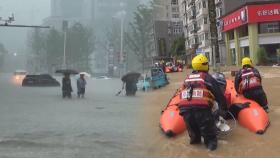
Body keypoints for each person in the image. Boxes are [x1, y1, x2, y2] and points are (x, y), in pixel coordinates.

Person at [178, 54, 227, 151]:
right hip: (202, 112)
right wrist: (223, 111)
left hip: (185, 112)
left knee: (195, 139)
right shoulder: (207, 78)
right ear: (205, 65)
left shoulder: (187, 79)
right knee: (210, 141)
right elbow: (219, 96)